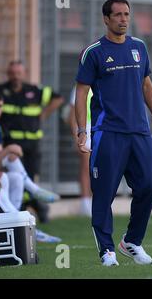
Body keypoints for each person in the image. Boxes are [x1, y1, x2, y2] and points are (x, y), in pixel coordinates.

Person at [75, 0, 152, 266]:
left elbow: (146, 85)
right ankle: (107, 251)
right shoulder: (93, 52)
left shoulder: (139, 47)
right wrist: (82, 130)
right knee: (104, 194)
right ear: (106, 19)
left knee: (149, 186)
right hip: (108, 133)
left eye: (127, 14)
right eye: (117, 15)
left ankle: (131, 242)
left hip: (139, 132)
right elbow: (81, 94)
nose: (123, 19)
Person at [0, 60, 64, 223]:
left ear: (24, 74)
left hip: (31, 143)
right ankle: (26, 208)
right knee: (16, 176)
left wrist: (43, 115)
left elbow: (58, 98)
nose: (15, 77)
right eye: (12, 73)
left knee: (27, 175)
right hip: (9, 143)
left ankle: (26, 212)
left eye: (19, 73)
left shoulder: (34, 90)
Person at [0, 91, 61, 243]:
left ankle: (18, 221)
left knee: (14, 176)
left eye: (0, 106)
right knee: (8, 164)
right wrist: (8, 150)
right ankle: (24, 223)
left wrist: (6, 155)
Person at [68, 85, 92, 217]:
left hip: (101, 128)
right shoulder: (80, 86)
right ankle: (85, 201)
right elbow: (72, 113)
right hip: (86, 130)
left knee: (99, 168)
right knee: (86, 166)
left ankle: (96, 201)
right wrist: (76, 134)